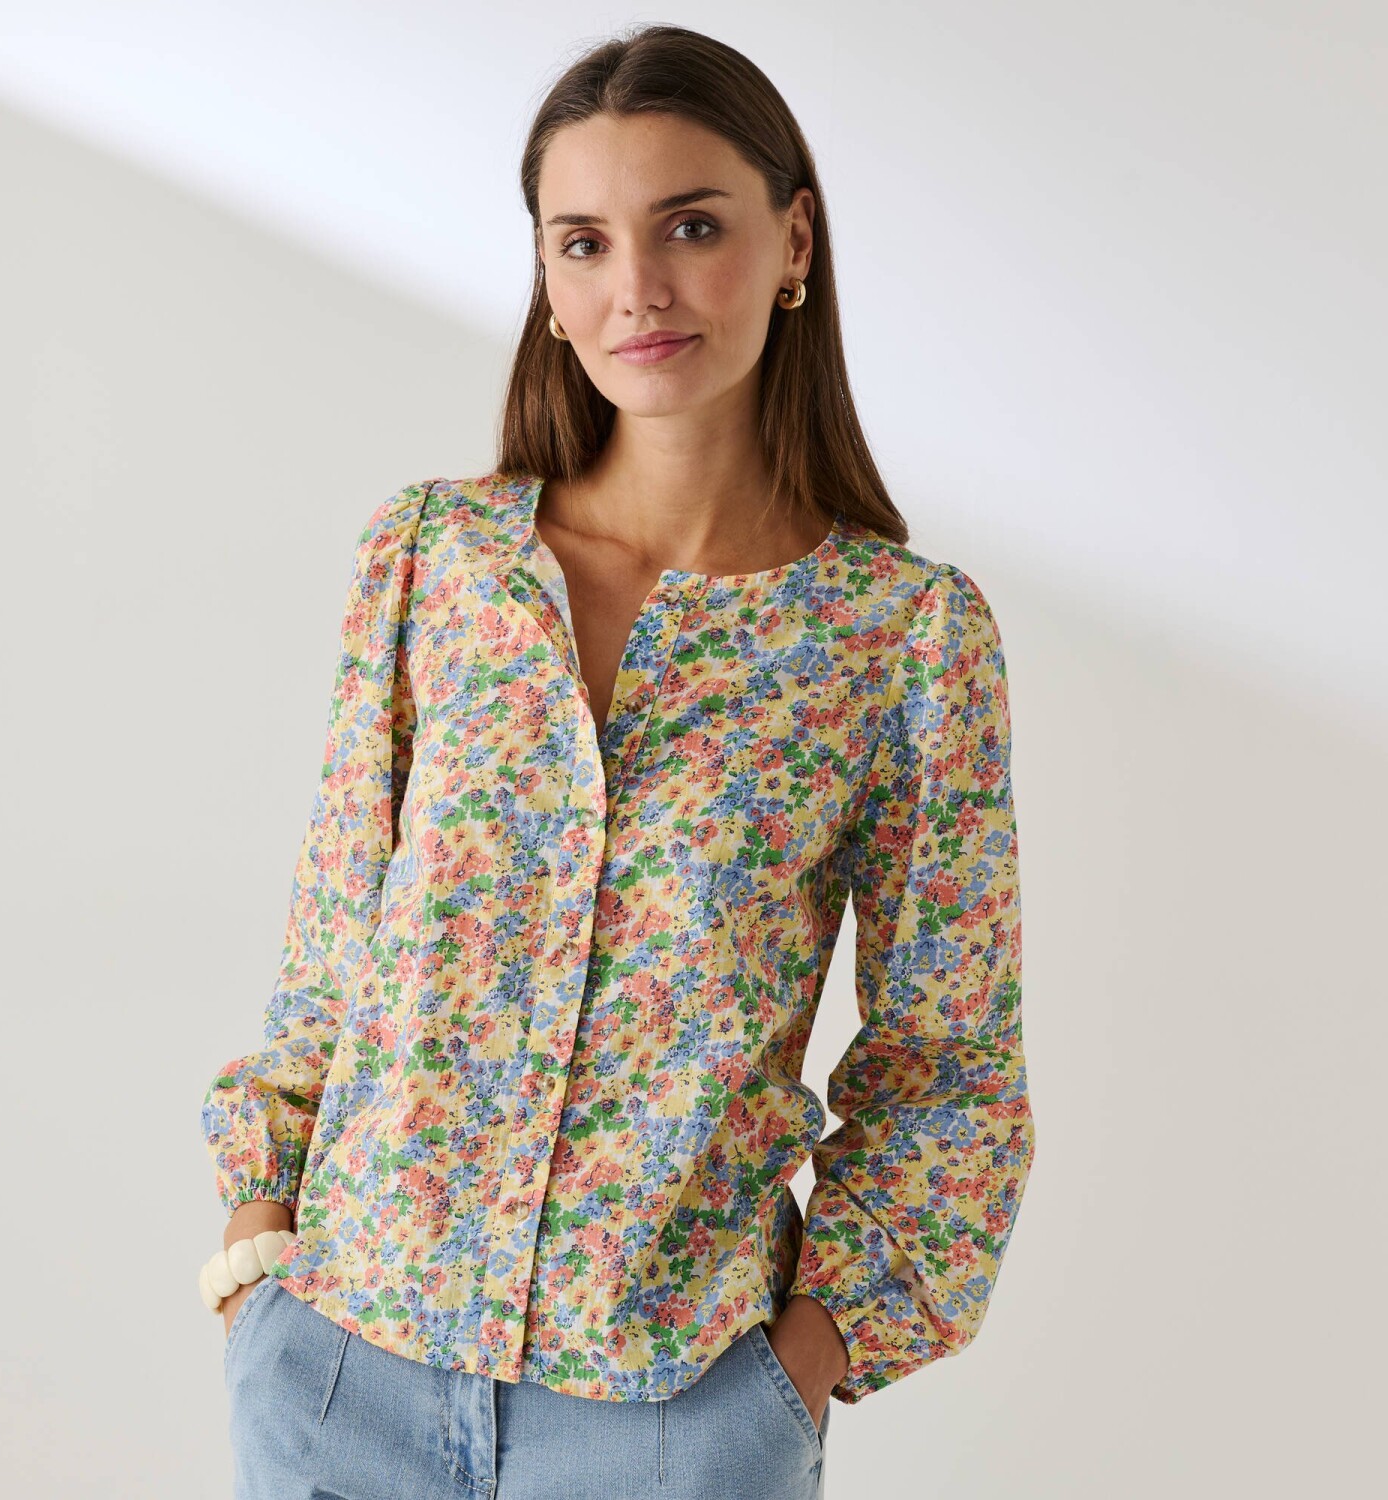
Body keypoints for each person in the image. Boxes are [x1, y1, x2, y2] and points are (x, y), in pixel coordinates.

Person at [198, 22, 1035, 1500]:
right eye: (582, 242)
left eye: (689, 227)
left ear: (794, 241)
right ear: (545, 275)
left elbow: (949, 1065)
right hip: (339, 1367)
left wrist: (795, 1370)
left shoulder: (901, 638)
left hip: (666, 1417)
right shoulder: (435, 560)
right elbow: (336, 939)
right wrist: (259, 1231)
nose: (635, 287)